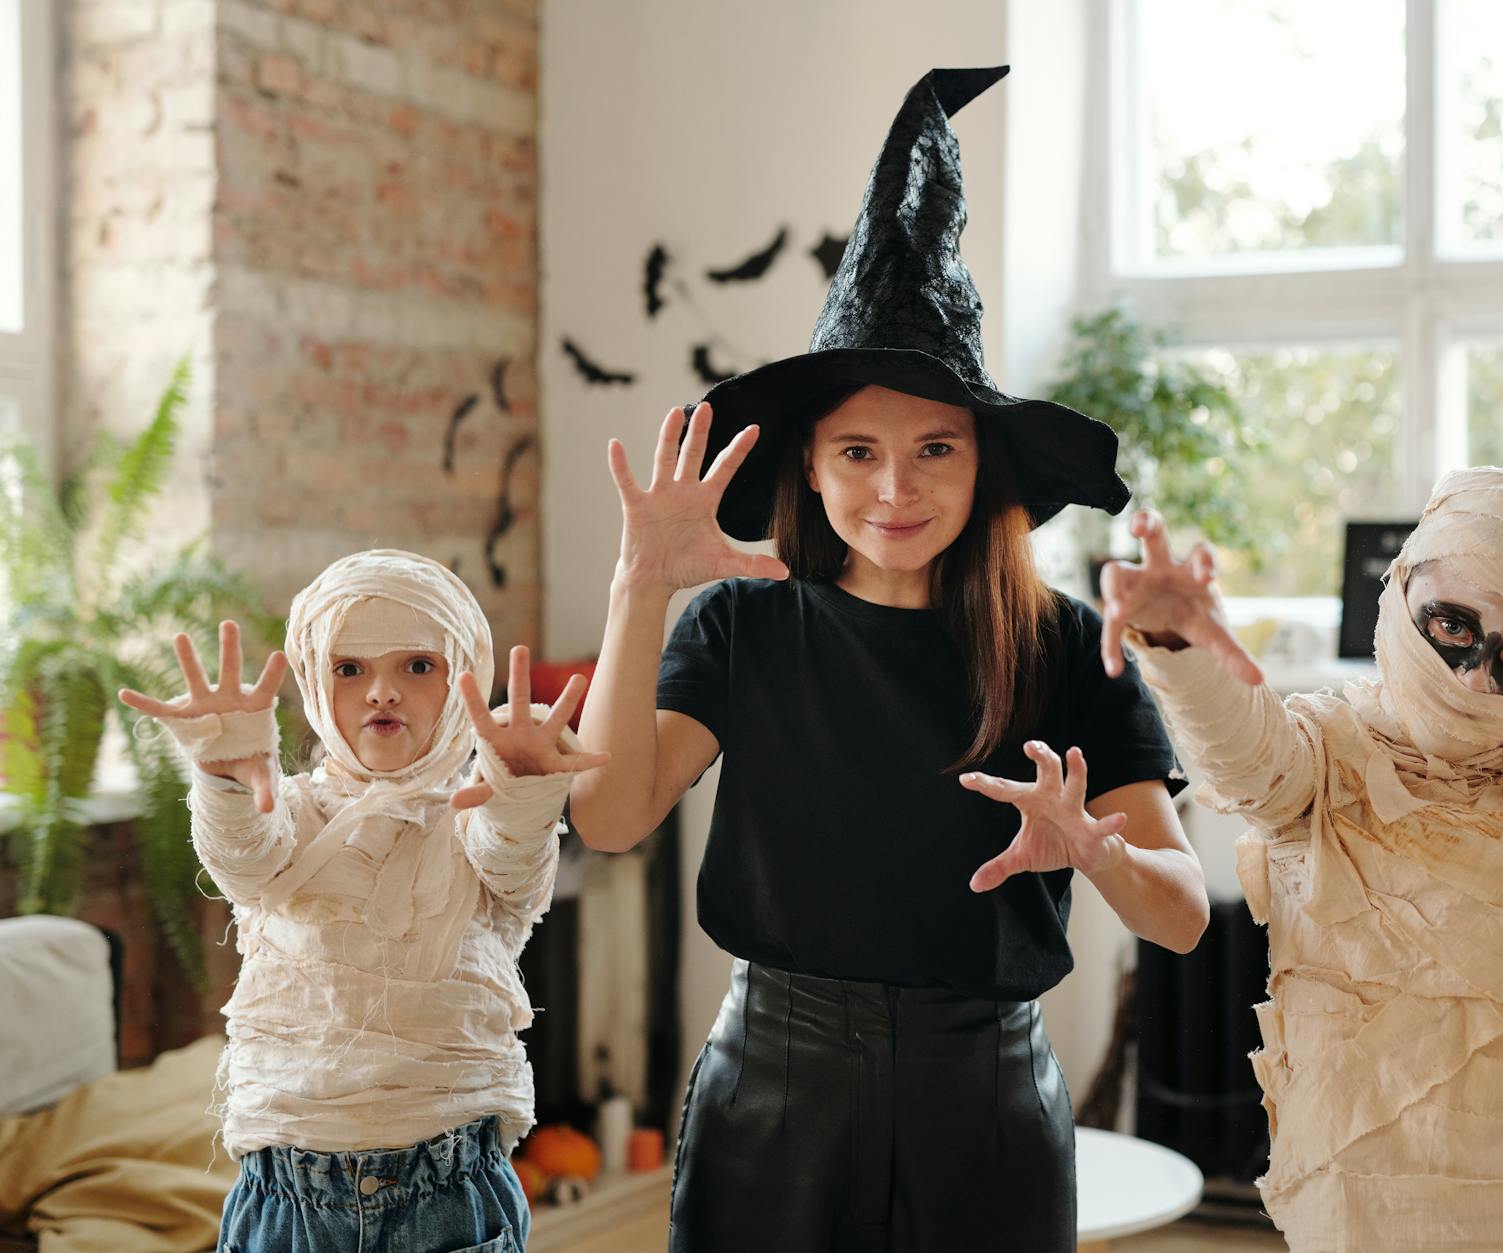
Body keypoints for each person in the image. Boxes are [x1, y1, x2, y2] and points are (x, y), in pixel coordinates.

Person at [569, 67, 1209, 1252]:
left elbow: (1178, 918)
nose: (895, 487)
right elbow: (607, 818)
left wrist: (1094, 847)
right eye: (857, 450)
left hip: (987, 1107)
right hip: (772, 1094)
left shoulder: (1065, 643)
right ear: (810, 466)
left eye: (936, 449)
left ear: (984, 463)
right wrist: (637, 588)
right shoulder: (740, 627)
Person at [1097, 468, 1503, 1252]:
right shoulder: (1328, 754)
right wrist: (1180, 645)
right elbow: (1253, 762)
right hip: (1356, 1210)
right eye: (1453, 625)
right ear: (1401, 591)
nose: (1475, 675)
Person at [116, 549, 607, 1252]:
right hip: (286, 1197)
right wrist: (223, 781)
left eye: (418, 665)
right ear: (315, 682)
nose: (382, 692)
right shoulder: (290, 810)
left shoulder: (476, 816)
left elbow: (512, 863)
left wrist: (523, 794)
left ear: (463, 679)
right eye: (349, 669)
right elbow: (245, 858)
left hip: (451, 1190)